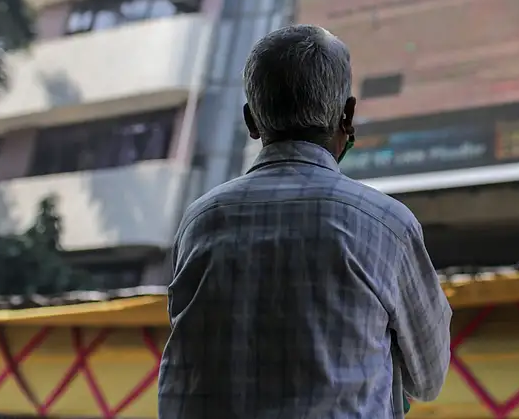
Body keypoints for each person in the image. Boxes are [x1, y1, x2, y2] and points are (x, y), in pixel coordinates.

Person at [159, 24, 452, 419]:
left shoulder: (200, 222)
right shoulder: (386, 225)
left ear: (251, 121)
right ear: (347, 115)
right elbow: (429, 379)